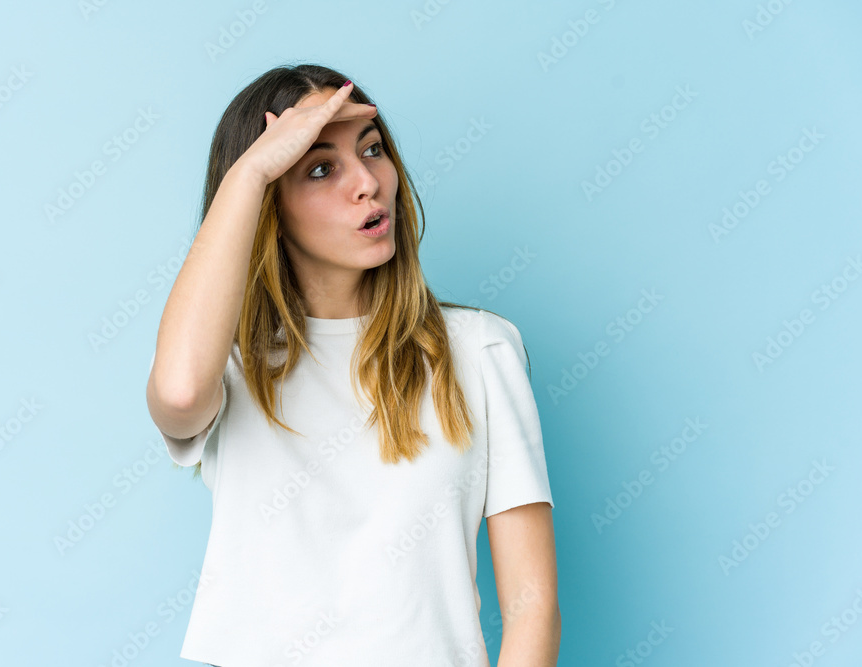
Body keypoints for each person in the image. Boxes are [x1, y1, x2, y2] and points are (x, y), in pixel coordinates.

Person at [146, 63, 560, 666]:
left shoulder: (481, 348)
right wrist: (253, 169)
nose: (368, 181)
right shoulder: (228, 366)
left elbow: (532, 603)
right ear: (268, 206)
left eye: (373, 150)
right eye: (320, 167)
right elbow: (180, 395)